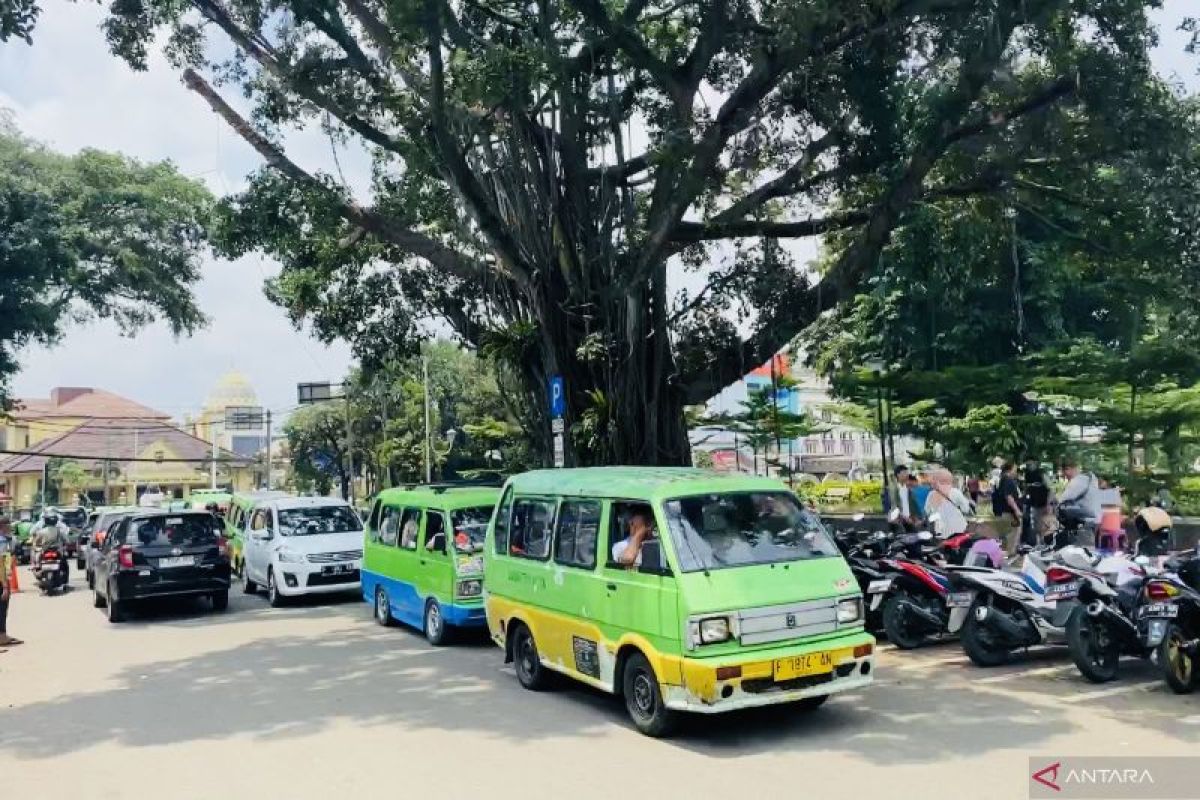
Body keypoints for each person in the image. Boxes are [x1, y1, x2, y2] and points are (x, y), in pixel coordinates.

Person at [924, 468, 973, 537]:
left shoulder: (931, 494)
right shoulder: (955, 492)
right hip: (958, 528)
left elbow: (927, 511)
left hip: (940, 530)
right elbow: (965, 509)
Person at [1057, 460, 1103, 526]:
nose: (1064, 476)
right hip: (1096, 521)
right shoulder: (1090, 480)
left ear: (1069, 469)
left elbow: (1061, 501)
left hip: (1083, 524)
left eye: (1064, 472)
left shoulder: (1077, 481)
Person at [991, 462, 1023, 550]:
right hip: (1010, 513)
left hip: (1006, 512)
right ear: (1010, 469)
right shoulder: (1008, 480)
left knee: (1009, 535)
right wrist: (1017, 510)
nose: (1016, 471)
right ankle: (1009, 555)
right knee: (1012, 535)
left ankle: (1008, 553)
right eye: (1015, 469)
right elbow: (1009, 497)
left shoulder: (1003, 479)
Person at [0, 517, 21, 649]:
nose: (10, 527)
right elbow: (2, 564)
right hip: (1, 579)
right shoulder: (2, 541)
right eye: (8, 525)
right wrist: (6, 586)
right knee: (2, 608)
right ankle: (2, 636)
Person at [888, 465, 920, 532]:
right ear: (898, 474)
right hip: (898, 521)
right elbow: (894, 506)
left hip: (908, 520)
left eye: (907, 472)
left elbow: (912, 504)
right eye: (904, 472)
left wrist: (915, 518)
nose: (907, 474)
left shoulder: (907, 488)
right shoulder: (894, 488)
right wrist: (905, 518)